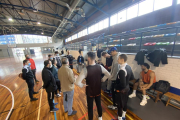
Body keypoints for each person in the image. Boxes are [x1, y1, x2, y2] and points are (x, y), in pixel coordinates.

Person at [75, 52, 111, 120]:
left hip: (90, 91)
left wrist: (82, 85)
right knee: (99, 104)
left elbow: (77, 82)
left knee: (90, 107)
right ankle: (100, 117)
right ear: (95, 58)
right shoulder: (100, 66)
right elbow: (108, 74)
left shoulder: (85, 69)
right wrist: (102, 80)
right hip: (97, 90)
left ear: (88, 58)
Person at [115, 54, 134, 120]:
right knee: (125, 102)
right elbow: (132, 77)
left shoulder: (122, 70)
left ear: (122, 60)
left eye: (118, 59)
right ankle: (123, 116)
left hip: (121, 90)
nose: (117, 60)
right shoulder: (129, 67)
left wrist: (116, 87)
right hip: (127, 88)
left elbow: (122, 84)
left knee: (119, 105)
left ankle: (120, 118)